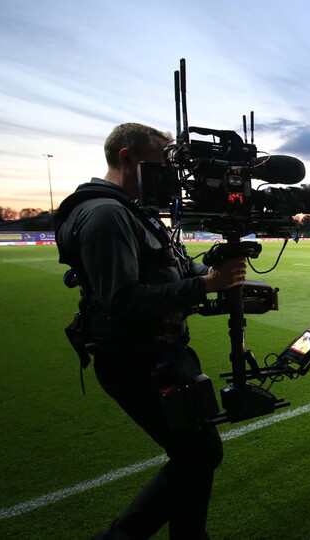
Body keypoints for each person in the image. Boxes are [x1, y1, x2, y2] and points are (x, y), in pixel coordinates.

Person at [55, 123, 246, 539]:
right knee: (199, 454)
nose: (171, 178)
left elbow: (170, 266)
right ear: (128, 159)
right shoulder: (105, 213)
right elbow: (121, 300)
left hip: (162, 351)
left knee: (196, 453)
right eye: (163, 166)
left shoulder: (130, 209)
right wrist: (207, 285)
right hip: (134, 357)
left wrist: (210, 273)